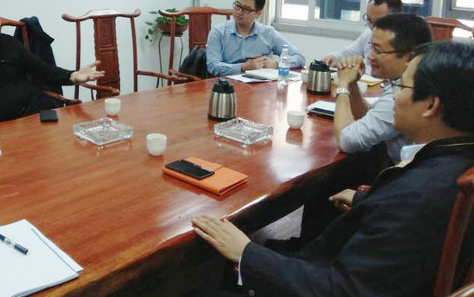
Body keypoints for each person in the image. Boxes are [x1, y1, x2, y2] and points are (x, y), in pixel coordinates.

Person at [192, 41, 474, 296]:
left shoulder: (416, 197)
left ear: (431, 105)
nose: (394, 96)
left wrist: (247, 253)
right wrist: (367, 200)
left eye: (401, 86)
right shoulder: (455, 163)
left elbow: (345, 290)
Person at [334, 12, 431, 164]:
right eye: (371, 48)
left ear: (410, 58)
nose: (370, 57)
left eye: (378, 51)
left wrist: (343, 84)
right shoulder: (402, 80)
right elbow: (369, 116)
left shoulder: (406, 92)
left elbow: (346, 141)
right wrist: (352, 84)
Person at [206, 0, 305, 76]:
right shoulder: (218, 32)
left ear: (258, 13)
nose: (239, 12)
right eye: (237, 6)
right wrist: (243, 67)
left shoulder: (268, 33)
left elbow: (299, 57)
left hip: (259, 84)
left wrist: (276, 64)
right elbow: (212, 66)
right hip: (226, 84)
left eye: (246, 9)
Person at [322, 0, 402, 70]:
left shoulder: (404, 41)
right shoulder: (368, 33)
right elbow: (348, 52)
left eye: (378, 22)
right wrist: (334, 57)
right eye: (369, 19)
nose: (372, 27)